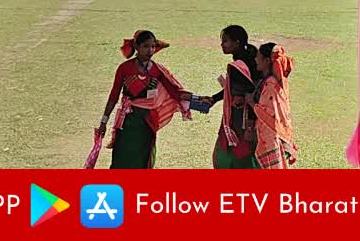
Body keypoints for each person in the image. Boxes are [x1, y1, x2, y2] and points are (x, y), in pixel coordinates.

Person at [98, 30, 193, 168]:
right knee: (121, 157)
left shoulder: (157, 69)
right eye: (146, 46)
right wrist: (103, 122)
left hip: (147, 121)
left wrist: (199, 99)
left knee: (143, 160)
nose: (150, 50)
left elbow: (175, 92)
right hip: (128, 121)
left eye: (153, 46)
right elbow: (113, 96)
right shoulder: (125, 68)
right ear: (137, 47)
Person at [202, 25, 261, 169]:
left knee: (234, 151)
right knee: (241, 150)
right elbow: (230, 89)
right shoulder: (248, 58)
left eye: (225, 41)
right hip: (242, 116)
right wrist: (213, 99)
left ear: (237, 43)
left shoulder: (239, 66)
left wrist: (249, 126)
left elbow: (249, 94)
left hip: (241, 118)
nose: (222, 45)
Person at [251, 43, 297, 169]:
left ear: (266, 61)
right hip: (277, 136)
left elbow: (269, 116)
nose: (255, 60)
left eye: (258, 57)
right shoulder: (271, 82)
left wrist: (252, 103)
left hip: (274, 140)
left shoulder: (271, 86)